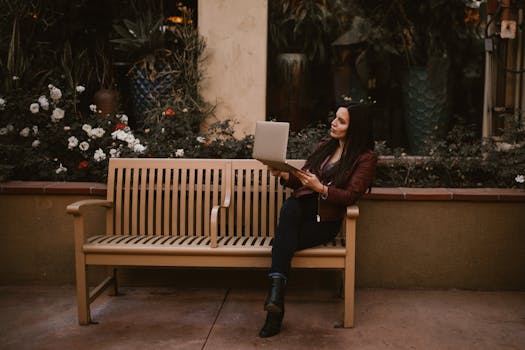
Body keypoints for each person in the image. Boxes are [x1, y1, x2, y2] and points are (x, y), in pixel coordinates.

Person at [258, 103, 377, 338]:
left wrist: (321, 188)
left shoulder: (365, 158)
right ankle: (275, 303)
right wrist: (283, 174)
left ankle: (275, 308)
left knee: (280, 245)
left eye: (341, 121)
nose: (334, 123)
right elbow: (302, 179)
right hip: (302, 209)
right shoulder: (325, 146)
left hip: (325, 221)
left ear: (355, 128)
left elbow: (352, 196)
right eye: (335, 118)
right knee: (292, 207)